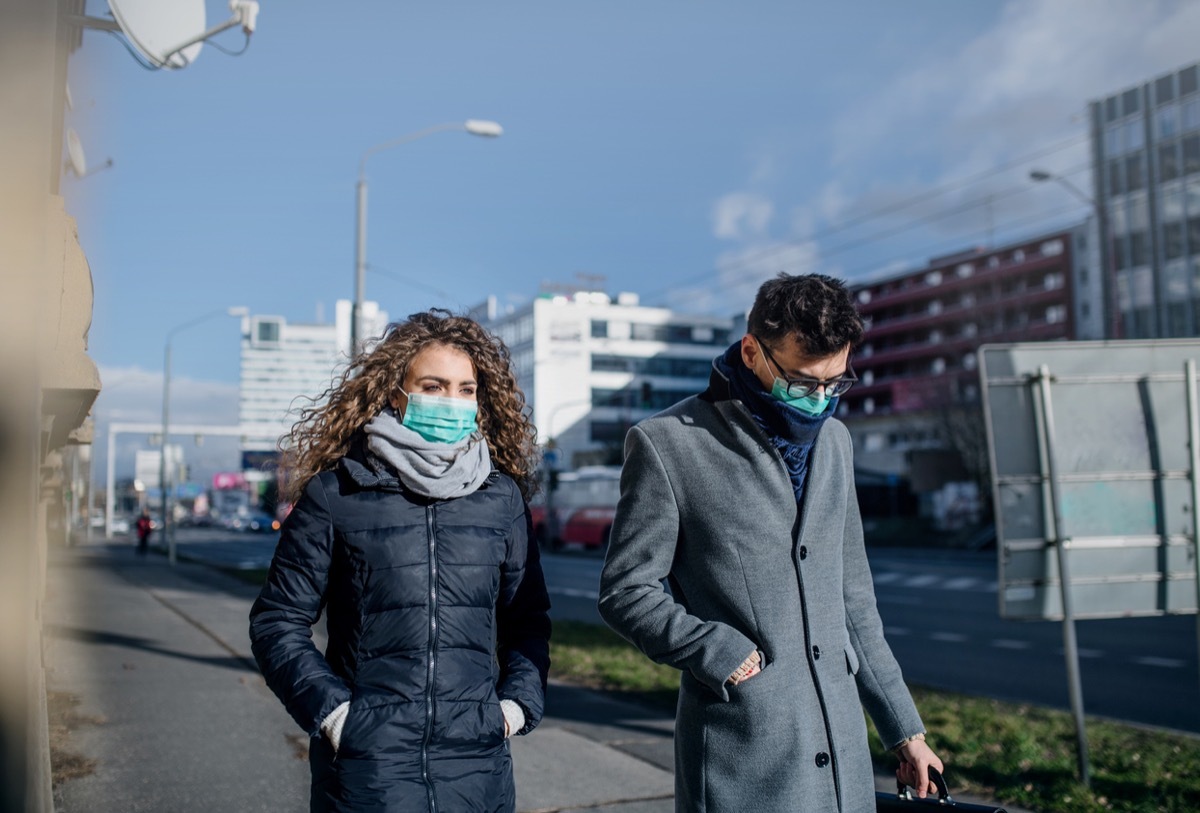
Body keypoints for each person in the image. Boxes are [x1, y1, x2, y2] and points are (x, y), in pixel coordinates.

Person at [598, 273, 943, 812]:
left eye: (836, 383)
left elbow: (853, 603)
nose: (821, 401)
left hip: (842, 759)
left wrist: (906, 732)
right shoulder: (667, 443)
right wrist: (715, 650)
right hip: (744, 756)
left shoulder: (836, 442)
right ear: (753, 351)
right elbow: (626, 591)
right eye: (805, 384)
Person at [249, 309, 550, 813]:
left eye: (465, 389)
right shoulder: (335, 494)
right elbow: (277, 620)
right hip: (369, 771)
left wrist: (515, 708)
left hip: (477, 768)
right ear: (396, 394)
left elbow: (528, 620)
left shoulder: (501, 500)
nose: (451, 401)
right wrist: (335, 714)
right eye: (433, 386)